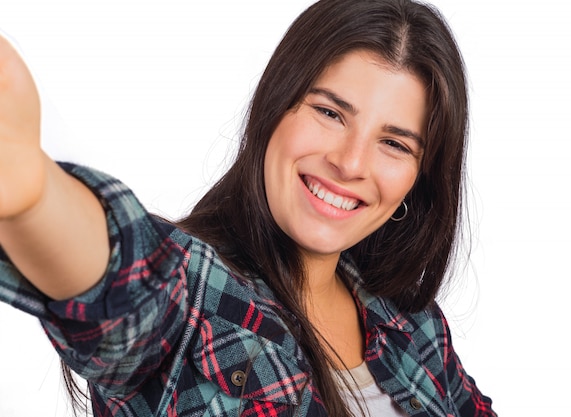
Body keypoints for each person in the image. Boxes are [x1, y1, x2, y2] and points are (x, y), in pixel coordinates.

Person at [0, 0, 496, 416]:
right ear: (275, 106)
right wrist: (35, 195)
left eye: (394, 143)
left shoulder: (413, 323)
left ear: (418, 178)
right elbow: (123, 277)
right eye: (329, 112)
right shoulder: (198, 299)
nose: (350, 163)